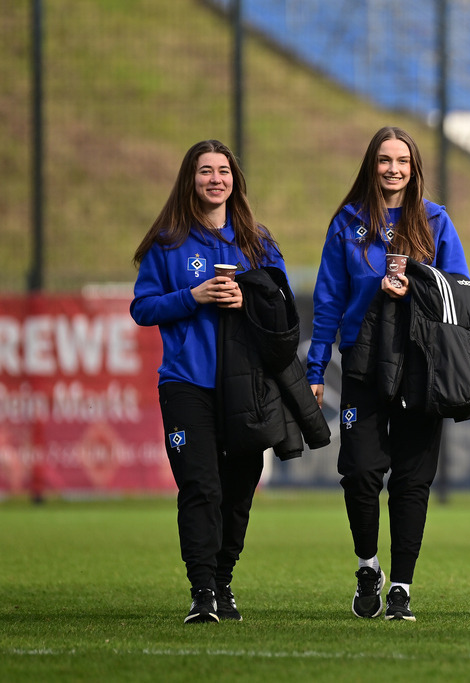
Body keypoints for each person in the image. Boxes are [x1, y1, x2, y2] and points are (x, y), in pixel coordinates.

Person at [306, 126, 470, 622]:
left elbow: (458, 290)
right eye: (384, 160)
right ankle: (367, 565)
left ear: (414, 168)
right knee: (359, 472)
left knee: (412, 480)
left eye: (402, 160)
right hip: (362, 363)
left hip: (423, 365)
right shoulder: (348, 221)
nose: (393, 168)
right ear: (371, 166)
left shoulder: (436, 220)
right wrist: (315, 367)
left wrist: (414, 287)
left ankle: (400, 586)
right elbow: (328, 300)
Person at [131, 139, 290, 624]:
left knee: (239, 489)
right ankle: (202, 592)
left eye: (223, 171)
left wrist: (249, 301)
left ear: (234, 181)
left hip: (246, 388)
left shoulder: (256, 242)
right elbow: (143, 308)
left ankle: (224, 582)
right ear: (191, 179)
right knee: (201, 488)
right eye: (205, 171)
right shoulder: (167, 242)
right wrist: (192, 295)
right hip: (186, 383)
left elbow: (283, 306)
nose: (215, 179)